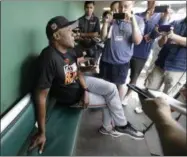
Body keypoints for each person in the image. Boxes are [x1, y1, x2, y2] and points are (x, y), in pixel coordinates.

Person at [29, 16, 144, 154]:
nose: (74, 32)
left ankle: (113, 127)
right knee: (111, 101)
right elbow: (41, 97)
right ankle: (117, 126)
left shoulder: (69, 50)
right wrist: (42, 132)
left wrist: (85, 88)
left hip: (80, 86)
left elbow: (76, 71)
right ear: (57, 35)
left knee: (112, 88)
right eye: (69, 30)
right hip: (72, 97)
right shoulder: (48, 57)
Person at [123, 0, 170, 105]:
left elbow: (159, 33)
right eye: (150, 1)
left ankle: (127, 96)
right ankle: (119, 91)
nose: (153, 3)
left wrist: (165, 17)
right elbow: (131, 28)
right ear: (147, 2)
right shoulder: (138, 15)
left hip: (142, 53)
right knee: (122, 73)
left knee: (134, 77)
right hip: (128, 49)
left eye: (155, 1)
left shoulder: (160, 18)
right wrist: (145, 19)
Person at [100, 0, 145, 101]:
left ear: (132, 5)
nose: (122, 9)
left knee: (119, 85)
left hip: (121, 62)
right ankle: (103, 103)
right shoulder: (112, 20)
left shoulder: (138, 20)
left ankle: (117, 107)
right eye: (120, 7)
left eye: (126, 6)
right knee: (104, 84)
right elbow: (102, 38)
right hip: (105, 60)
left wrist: (132, 21)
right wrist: (106, 23)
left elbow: (137, 41)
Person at [145, 16, 187, 98]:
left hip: (178, 69)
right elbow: (160, 44)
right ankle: (146, 108)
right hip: (161, 63)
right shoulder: (175, 23)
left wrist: (172, 36)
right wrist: (164, 36)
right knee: (149, 91)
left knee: (166, 98)